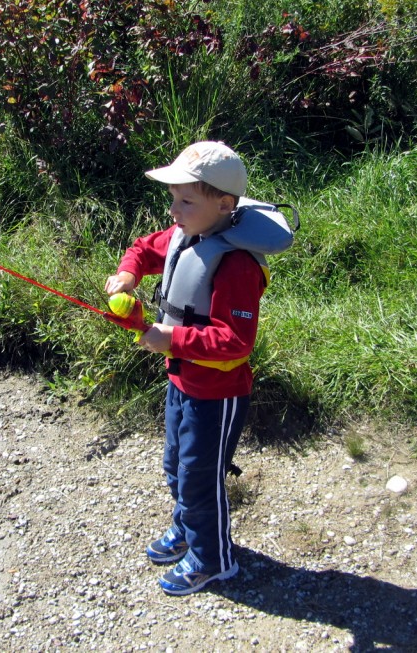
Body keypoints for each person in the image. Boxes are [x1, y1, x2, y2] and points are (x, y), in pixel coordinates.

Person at [105, 141, 286, 596]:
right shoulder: (187, 235)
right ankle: (188, 529)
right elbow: (145, 250)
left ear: (224, 205)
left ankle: (213, 560)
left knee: (201, 478)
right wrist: (128, 274)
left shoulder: (237, 264)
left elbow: (235, 342)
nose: (174, 209)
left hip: (218, 393)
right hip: (180, 380)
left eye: (185, 200)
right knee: (175, 465)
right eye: (173, 198)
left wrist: (169, 339)